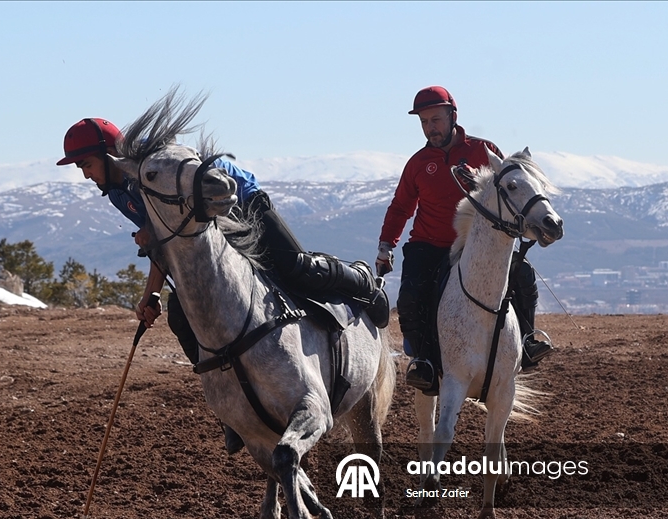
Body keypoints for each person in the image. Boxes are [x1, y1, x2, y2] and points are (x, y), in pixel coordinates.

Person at [58, 117, 390, 451]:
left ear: (108, 153)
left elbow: (174, 226)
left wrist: (154, 239)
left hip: (241, 200)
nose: (85, 174)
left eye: (85, 164)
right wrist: (153, 295)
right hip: (215, 228)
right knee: (181, 314)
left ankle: (362, 283)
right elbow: (166, 244)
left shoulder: (152, 164)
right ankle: (231, 411)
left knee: (294, 267)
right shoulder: (118, 193)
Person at [375, 86, 552, 396]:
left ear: (452, 116)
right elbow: (401, 207)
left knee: (523, 275)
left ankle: (527, 340)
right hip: (429, 245)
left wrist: (478, 181)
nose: (431, 128)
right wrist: (386, 245)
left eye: (436, 120)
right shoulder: (417, 163)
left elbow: (506, 191)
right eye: (424, 122)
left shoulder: (484, 151)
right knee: (410, 296)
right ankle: (423, 361)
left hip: (479, 243)